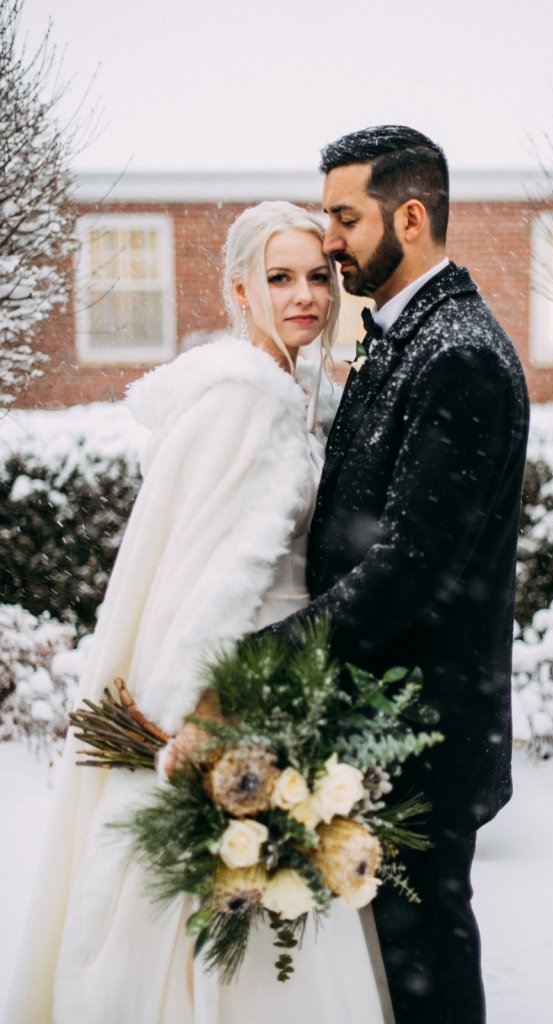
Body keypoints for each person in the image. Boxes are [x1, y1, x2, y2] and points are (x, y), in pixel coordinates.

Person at [4, 201, 390, 1024]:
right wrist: (207, 712)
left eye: (318, 276)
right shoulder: (247, 403)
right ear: (240, 292)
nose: (305, 296)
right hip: (238, 687)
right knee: (233, 906)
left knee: (262, 901)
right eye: (279, 278)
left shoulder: (292, 395)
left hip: (284, 677)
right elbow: (210, 581)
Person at [258, 127, 530, 1023]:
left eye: (344, 217)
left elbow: (410, 569)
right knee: (394, 961)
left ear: (409, 217)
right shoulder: (404, 336)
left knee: (424, 960)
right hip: (384, 719)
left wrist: (261, 661)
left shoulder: (458, 356)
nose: (328, 240)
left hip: (425, 733)